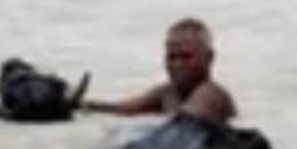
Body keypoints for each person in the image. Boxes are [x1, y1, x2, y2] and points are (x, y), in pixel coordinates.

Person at [82, 19, 237, 125]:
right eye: (171, 57)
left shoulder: (211, 93)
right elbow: (121, 110)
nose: (177, 64)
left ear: (209, 57)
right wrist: (79, 105)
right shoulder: (167, 93)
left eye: (186, 57)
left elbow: (185, 124)